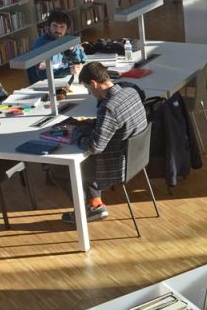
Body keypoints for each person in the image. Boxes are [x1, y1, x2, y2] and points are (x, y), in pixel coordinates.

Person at [60, 61, 148, 224]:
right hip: (136, 157)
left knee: (59, 170)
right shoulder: (131, 91)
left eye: (88, 89)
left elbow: (94, 147)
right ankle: (95, 204)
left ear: (94, 83)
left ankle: (86, 210)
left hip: (116, 165)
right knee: (83, 163)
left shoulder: (108, 107)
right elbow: (119, 124)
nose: (90, 93)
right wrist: (95, 125)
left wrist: (76, 133)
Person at [26, 11, 85, 84]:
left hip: (62, 79)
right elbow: (43, 74)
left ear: (67, 29)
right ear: (49, 26)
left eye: (62, 27)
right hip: (44, 84)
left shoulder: (65, 38)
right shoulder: (42, 45)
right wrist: (68, 70)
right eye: (54, 26)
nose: (58, 30)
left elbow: (83, 58)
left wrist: (73, 49)